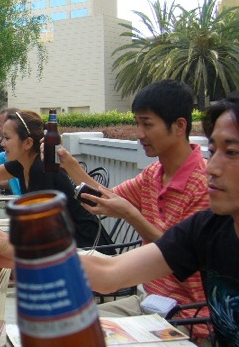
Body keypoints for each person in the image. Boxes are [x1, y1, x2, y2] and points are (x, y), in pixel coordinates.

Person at [57, 79, 209, 330]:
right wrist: (69, 164)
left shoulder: (203, 185)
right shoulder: (153, 173)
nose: (139, 134)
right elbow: (106, 198)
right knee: (66, 323)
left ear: (179, 126)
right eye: (137, 123)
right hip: (149, 301)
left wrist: (131, 215)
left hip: (188, 317)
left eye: (147, 124)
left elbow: (182, 256)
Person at [0, 109, 113, 250]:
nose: (2, 143)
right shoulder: (22, 164)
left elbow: (45, 234)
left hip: (87, 248)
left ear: (27, 143)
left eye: (7, 138)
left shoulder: (42, 170)